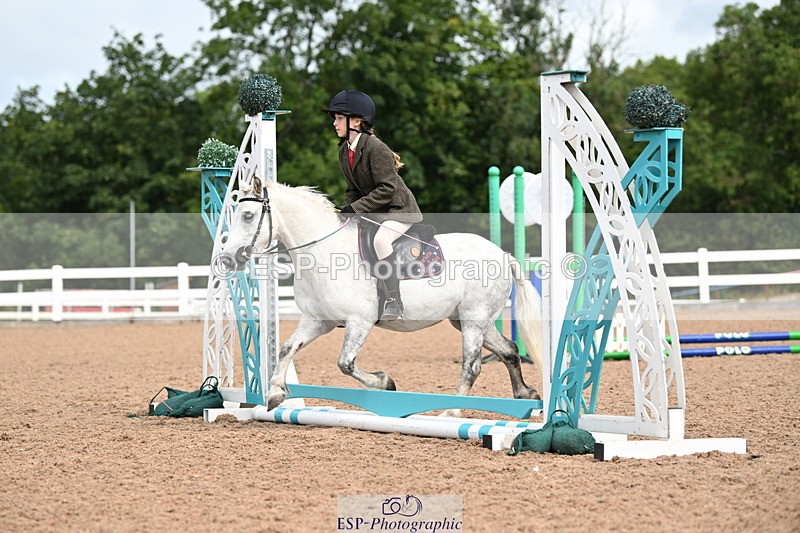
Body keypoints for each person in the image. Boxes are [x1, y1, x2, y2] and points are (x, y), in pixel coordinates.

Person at [323, 89, 423, 321]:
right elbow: (352, 190)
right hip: (376, 212)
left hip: (399, 210)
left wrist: (356, 209)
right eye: (334, 118)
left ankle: (394, 301)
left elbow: (387, 189)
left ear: (357, 121)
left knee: (381, 240)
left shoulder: (376, 148)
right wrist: (345, 210)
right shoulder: (343, 151)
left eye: (339, 118)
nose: (334, 123)